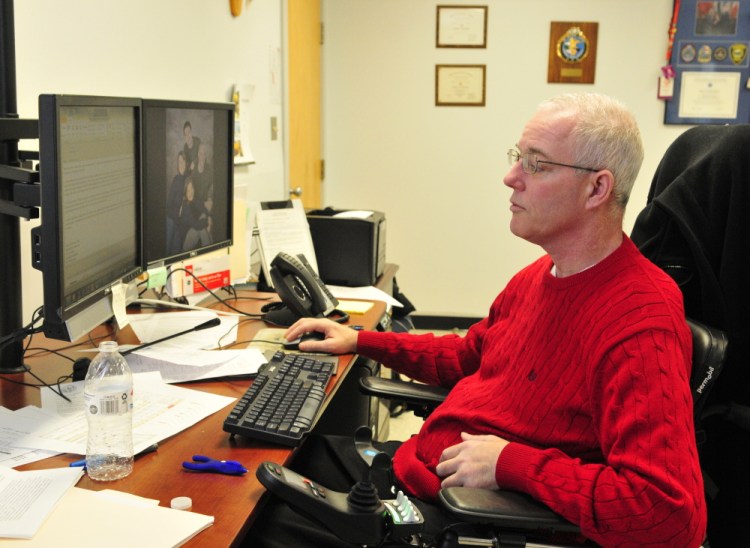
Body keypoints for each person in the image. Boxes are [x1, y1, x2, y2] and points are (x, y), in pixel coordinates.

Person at [247, 93, 707, 547]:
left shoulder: (639, 318)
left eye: (536, 164)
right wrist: (361, 340)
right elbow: (468, 357)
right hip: (415, 469)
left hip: (455, 513)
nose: (511, 178)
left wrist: (511, 463)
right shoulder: (537, 276)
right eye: (517, 158)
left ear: (597, 188)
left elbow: (666, 513)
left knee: (251, 527)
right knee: (262, 466)